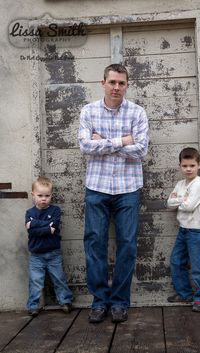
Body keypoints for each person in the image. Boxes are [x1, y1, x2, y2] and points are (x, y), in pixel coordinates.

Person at [78, 63, 149, 323]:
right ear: (103, 83)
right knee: (94, 243)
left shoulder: (138, 113)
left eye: (121, 83)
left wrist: (103, 142)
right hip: (96, 187)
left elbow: (141, 150)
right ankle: (99, 302)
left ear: (127, 84)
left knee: (127, 246)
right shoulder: (89, 111)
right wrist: (122, 141)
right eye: (112, 82)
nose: (116, 87)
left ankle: (119, 302)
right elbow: (85, 147)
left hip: (128, 188)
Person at [167, 147, 200, 312]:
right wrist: (181, 200)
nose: (188, 169)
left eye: (192, 165)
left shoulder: (198, 184)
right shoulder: (180, 184)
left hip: (196, 232)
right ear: (180, 166)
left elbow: (190, 206)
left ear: (199, 165)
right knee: (176, 261)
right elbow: (169, 203)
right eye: (185, 166)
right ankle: (185, 294)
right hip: (183, 230)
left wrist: (180, 200)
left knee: (198, 267)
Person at [25, 176, 73, 317]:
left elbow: (53, 228)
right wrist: (46, 227)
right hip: (36, 256)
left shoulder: (55, 211)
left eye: (47, 196)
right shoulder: (30, 213)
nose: (43, 199)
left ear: (51, 195)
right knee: (35, 282)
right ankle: (33, 306)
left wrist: (34, 225)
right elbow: (31, 230)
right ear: (33, 195)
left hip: (53, 254)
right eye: (40, 195)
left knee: (59, 279)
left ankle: (65, 301)